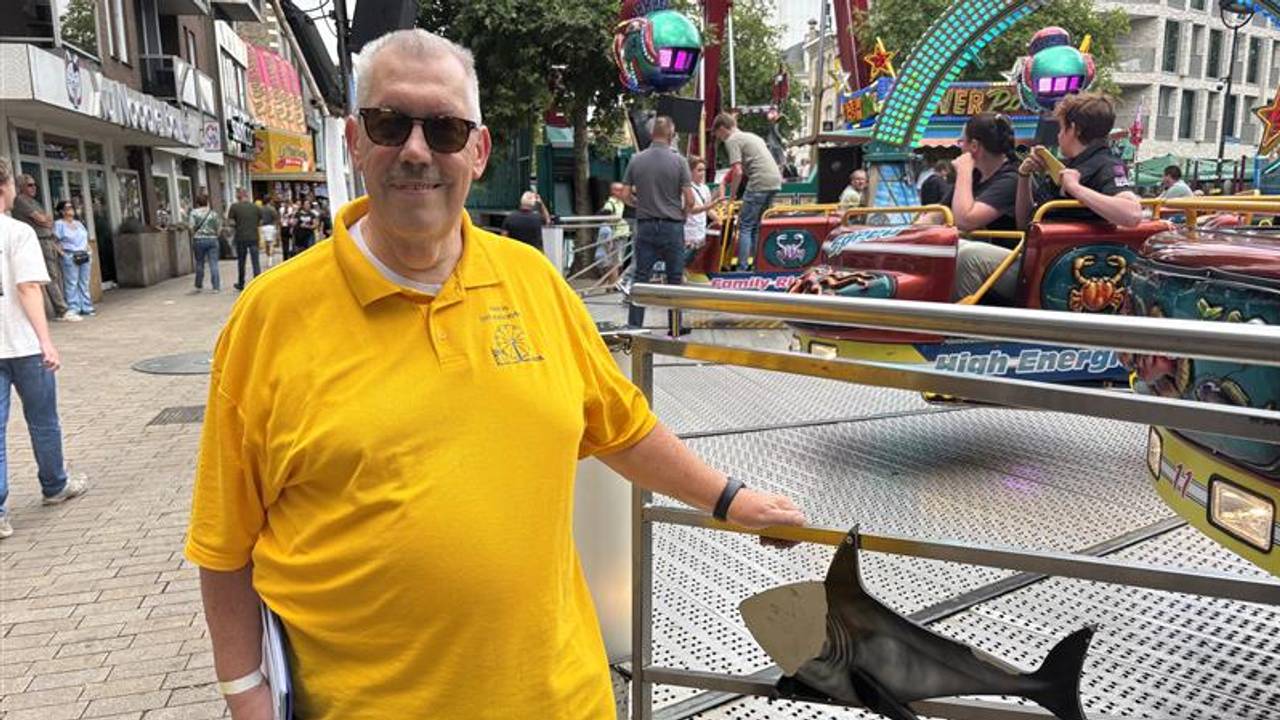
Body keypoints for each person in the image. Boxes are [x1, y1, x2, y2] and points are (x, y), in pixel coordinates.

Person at [185, 29, 805, 720]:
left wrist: (731, 500)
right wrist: (246, 696)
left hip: (562, 699)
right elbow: (223, 540)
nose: (417, 150)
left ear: (477, 152)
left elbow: (620, 429)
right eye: (392, 123)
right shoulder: (271, 317)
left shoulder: (532, 282)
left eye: (445, 129)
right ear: (357, 140)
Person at [954, 93, 1142, 305]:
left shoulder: (1106, 165)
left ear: (1074, 129)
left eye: (1061, 129)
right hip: (1041, 260)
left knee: (968, 257)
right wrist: (1025, 177)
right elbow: (1025, 223)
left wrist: (1076, 189)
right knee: (956, 248)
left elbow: (1132, 214)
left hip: (1063, 272)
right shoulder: (1066, 166)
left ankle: (961, 330)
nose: (1059, 135)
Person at [0, 158, 89, 540]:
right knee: (43, 419)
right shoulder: (17, 233)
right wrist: (46, 340)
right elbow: (28, 287)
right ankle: (54, 484)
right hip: (21, 343)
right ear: (6, 187)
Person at [934, 113, 1022, 300]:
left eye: (961, 142)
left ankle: (955, 326)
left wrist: (964, 170)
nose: (960, 147)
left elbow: (966, 220)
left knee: (968, 254)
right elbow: (938, 214)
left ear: (974, 147)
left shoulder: (1011, 178)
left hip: (1020, 268)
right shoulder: (975, 176)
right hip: (991, 261)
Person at [623, 115, 696, 330]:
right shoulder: (679, 161)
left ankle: (634, 326)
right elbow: (690, 199)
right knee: (674, 278)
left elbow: (626, 194)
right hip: (672, 226)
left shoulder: (636, 160)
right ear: (671, 135)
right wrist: (682, 213)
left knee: (641, 277)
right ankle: (674, 326)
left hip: (645, 225)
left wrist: (640, 203)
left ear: (651, 134)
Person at [712, 113, 783, 271]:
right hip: (775, 182)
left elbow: (737, 171)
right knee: (757, 225)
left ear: (722, 129)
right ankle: (758, 265)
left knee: (745, 225)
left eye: (717, 134)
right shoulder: (752, 137)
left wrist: (732, 197)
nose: (719, 139)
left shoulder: (732, 140)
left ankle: (742, 268)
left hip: (759, 182)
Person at [11, 174, 73, 321]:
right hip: (38, 241)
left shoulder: (34, 202)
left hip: (48, 240)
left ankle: (59, 308)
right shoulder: (20, 200)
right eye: (30, 185)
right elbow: (41, 219)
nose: (34, 188)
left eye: (34, 185)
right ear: (21, 187)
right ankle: (62, 310)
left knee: (55, 275)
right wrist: (43, 220)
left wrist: (44, 220)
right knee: (49, 276)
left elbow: (48, 220)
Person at [52, 200, 94, 317]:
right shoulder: (59, 224)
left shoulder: (79, 223)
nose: (71, 209)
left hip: (84, 254)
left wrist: (89, 251)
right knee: (72, 282)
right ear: (61, 211)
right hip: (70, 255)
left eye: (71, 207)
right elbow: (54, 241)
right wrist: (63, 254)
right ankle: (73, 307)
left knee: (84, 282)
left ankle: (87, 306)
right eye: (67, 207)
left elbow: (85, 238)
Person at [684, 155, 721, 266]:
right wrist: (709, 206)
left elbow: (708, 210)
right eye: (699, 170)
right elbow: (691, 209)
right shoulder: (686, 188)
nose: (702, 173)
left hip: (700, 232)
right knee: (686, 260)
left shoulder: (704, 188)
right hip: (688, 233)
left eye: (704, 170)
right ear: (690, 171)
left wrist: (719, 220)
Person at [596, 182, 631, 285]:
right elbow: (605, 217)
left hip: (623, 234)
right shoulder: (610, 204)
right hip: (616, 235)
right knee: (615, 262)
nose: (621, 192)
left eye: (622, 190)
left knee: (617, 261)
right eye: (618, 190)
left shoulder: (622, 202)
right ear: (612, 191)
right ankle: (613, 285)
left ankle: (611, 284)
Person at [188, 191, 223, 293]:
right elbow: (219, 228)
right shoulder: (213, 214)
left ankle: (199, 285)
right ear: (207, 202)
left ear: (197, 203)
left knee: (199, 263)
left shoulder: (193, 213)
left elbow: (191, 227)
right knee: (214, 263)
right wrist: (215, 235)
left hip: (199, 240)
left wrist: (194, 235)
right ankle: (216, 287)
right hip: (212, 240)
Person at [227, 189, 261, 290]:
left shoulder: (234, 207)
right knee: (255, 261)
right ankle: (257, 282)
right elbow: (261, 220)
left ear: (239, 196)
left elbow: (231, 222)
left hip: (241, 237)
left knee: (241, 261)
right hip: (254, 237)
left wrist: (237, 225)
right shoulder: (255, 207)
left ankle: (241, 283)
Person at [259, 196, 280, 266]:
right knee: (271, 243)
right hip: (271, 226)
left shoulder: (260, 209)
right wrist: (277, 228)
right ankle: (270, 259)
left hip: (263, 227)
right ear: (269, 201)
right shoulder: (272, 209)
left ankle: (268, 256)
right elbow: (276, 218)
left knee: (266, 244)